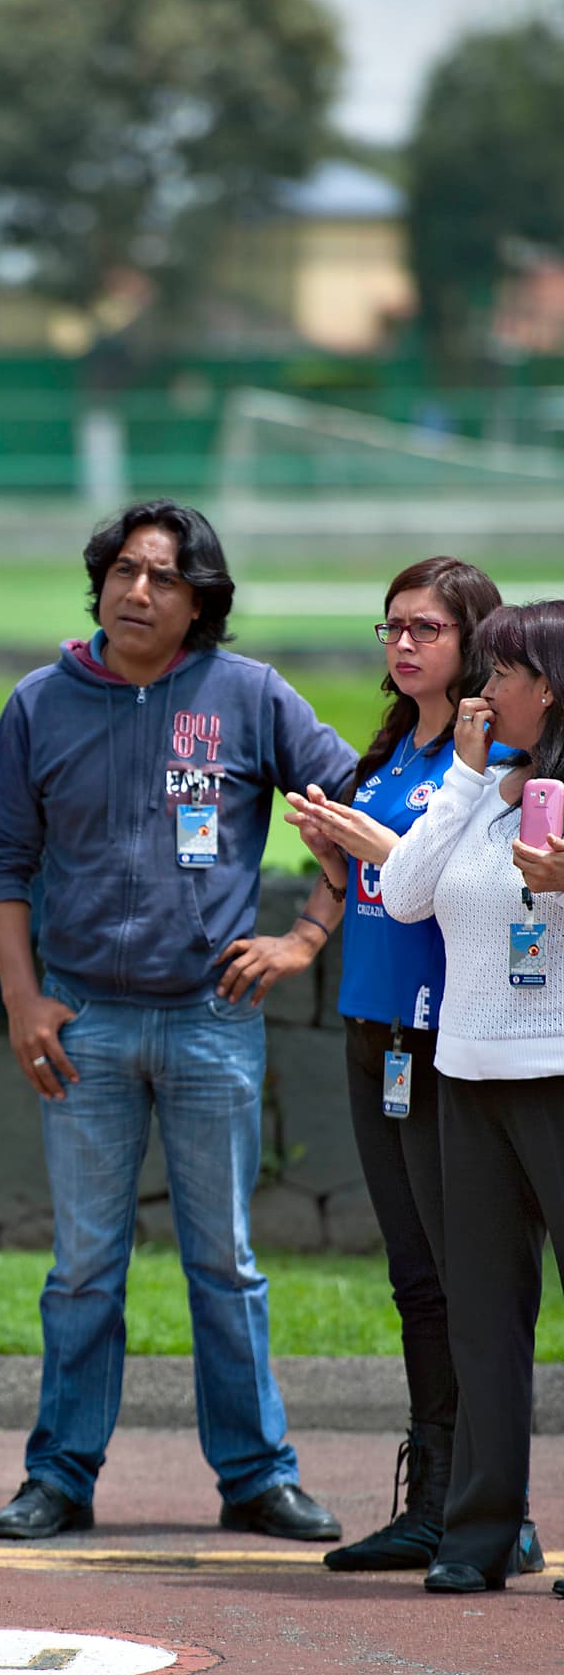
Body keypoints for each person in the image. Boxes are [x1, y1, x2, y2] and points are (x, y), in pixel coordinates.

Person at [0, 499, 355, 1544]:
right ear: (97, 581)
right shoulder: (38, 703)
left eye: (164, 580)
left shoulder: (247, 697)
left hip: (211, 1021)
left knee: (223, 1261)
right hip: (80, 1024)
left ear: (200, 606)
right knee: (83, 1267)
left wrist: (305, 939)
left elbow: (357, 813)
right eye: (123, 572)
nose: (136, 593)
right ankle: (58, 1476)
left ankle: (254, 1477)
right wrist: (19, 998)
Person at [249, 560, 545, 1572]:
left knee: (468, 1282)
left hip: (450, 1033)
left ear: (474, 643)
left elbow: (436, 880)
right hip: (374, 1022)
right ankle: (443, 1494)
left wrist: (374, 845)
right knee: (419, 1279)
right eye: (389, 627)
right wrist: (336, 867)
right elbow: (383, 881)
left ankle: (480, 1504)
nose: (401, 644)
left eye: (424, 627)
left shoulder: (498, 754)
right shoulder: (396, 746)